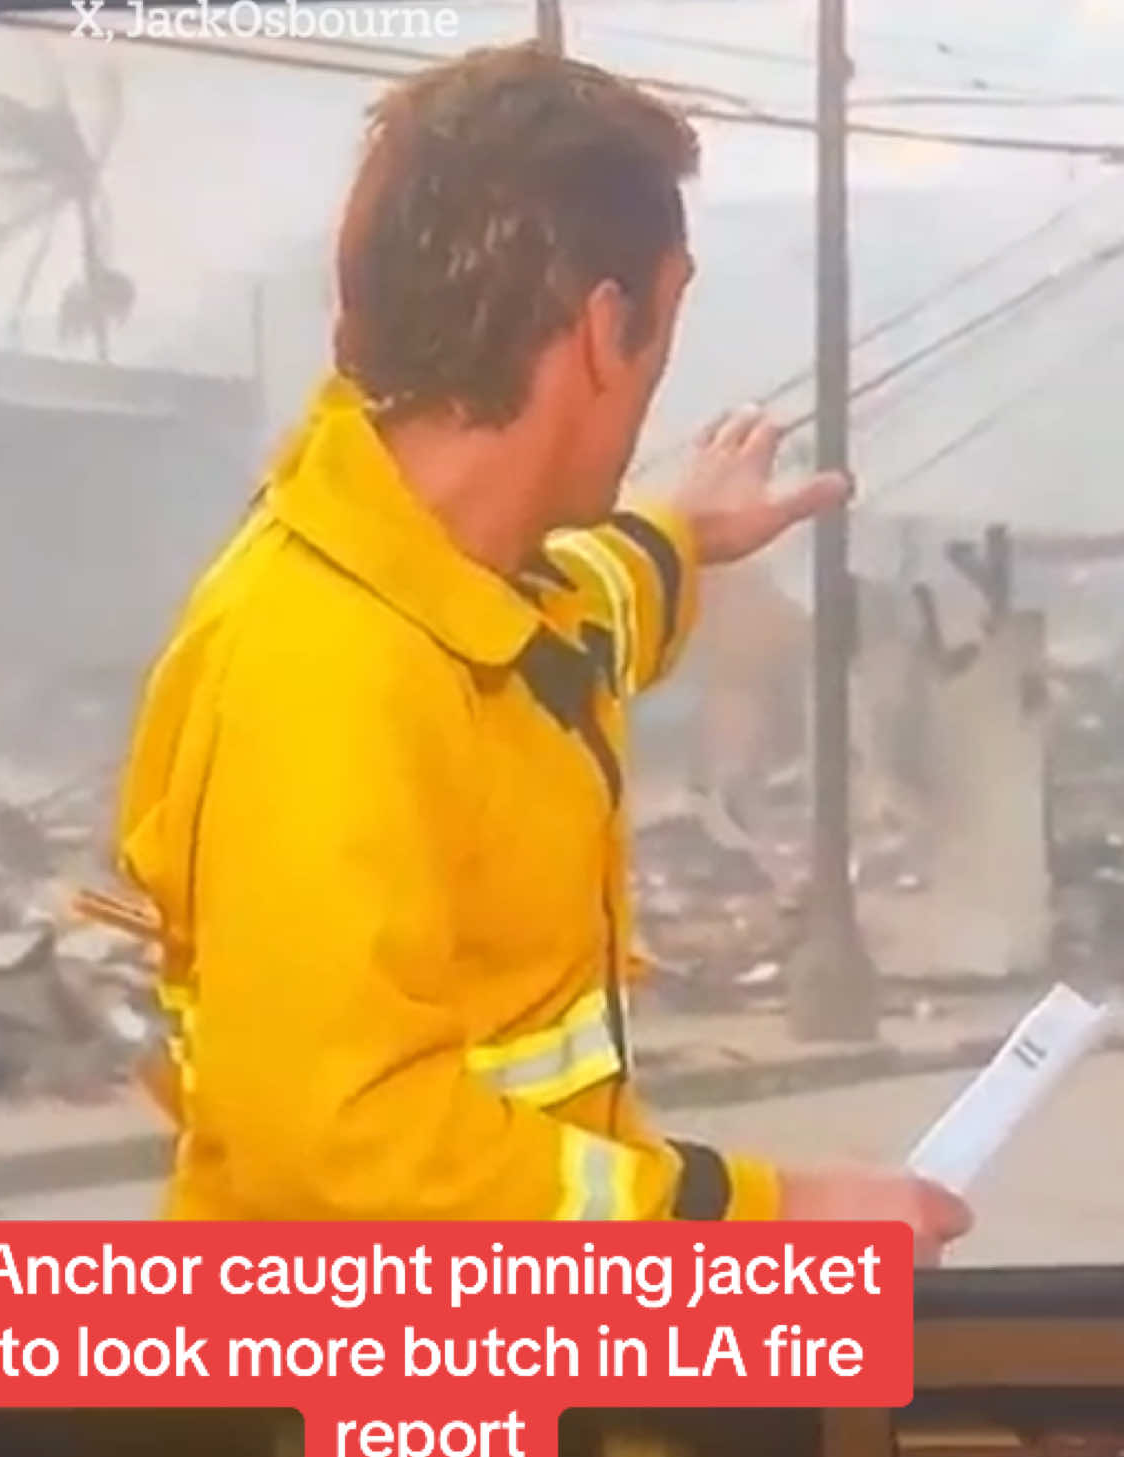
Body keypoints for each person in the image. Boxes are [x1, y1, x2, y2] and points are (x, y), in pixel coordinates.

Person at [116, 45, 969, 1260]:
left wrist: (685, 537)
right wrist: (759, 1219)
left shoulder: (462, 593)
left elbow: (581, 630)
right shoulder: (325, 668)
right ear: (604, 328)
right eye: (665, 325)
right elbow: (351, 1152)